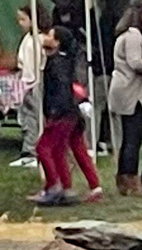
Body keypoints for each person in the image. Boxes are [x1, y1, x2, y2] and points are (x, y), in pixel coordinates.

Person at [32, 26, 103, 205]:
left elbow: (61, 88)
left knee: (44, 148)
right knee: (71, 148)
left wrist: (55, 112)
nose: (45, 37)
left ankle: (54, 185)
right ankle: (82, 186)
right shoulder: (66, 60)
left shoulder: (55, 63)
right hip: (72, 111)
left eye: (49, 35)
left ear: (57, 42)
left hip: (62, 112)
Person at [12, 3, 47, 168]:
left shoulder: (38, 39)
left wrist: (32, 82)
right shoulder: (28, 38)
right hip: (27, 81)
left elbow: (38, 63)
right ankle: (29, 149)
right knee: (27, 117)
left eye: (23, 19)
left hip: (34, 81)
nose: (20, 23)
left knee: (33, 117)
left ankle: (31, 151)